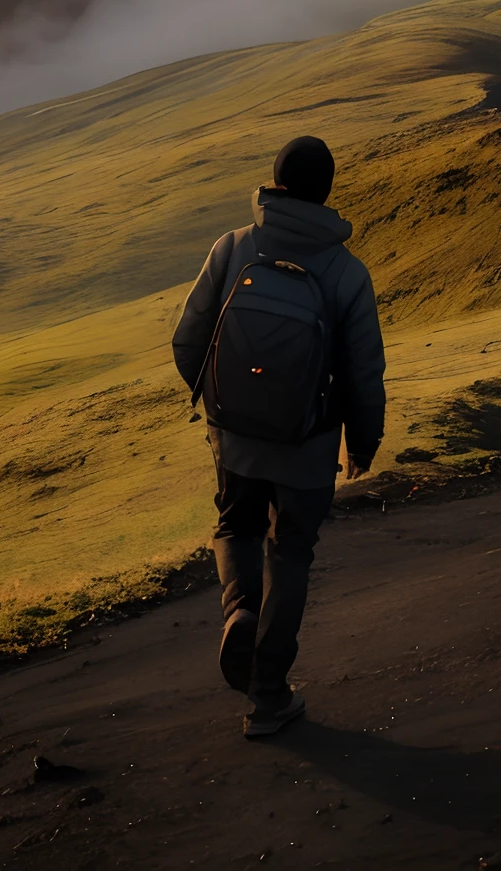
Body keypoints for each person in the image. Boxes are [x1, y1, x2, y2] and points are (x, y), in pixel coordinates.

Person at [172, 134, 385, 737]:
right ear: (327, 193)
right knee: (290, 554)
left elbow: (188, 341)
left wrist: (221, 409)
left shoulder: (233, 247)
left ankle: (239, 610)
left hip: (235, 437)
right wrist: (362, 444)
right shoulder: (347, 274)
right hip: (309, 446)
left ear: (275, 183)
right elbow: (365, 372)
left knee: (236, 526)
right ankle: (268, 695)